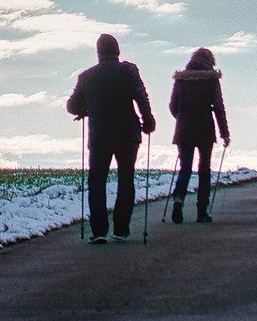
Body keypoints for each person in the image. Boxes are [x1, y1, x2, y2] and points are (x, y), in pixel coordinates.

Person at [67, 33, 156, 243]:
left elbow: (71, 106)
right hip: (128, 134)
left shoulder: (86, 76)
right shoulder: (129, 70)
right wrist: (148, 120)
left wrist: (87, 109)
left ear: (98, 52)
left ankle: (99, 231)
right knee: (126, 179)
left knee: (97, 181)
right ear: (117, 51)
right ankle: (121, 228)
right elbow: (141, 96)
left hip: (100, 134)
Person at [167, 47, 230, 223]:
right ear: (210, 61)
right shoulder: (212, 79)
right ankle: (202, 211)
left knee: (185, 167)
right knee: (204, 169)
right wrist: (224, 133)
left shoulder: (181, 79)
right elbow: (218, 107)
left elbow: (173, 105)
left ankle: (178, 199)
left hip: (184, 128)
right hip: (205, 128)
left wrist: (182, 117)